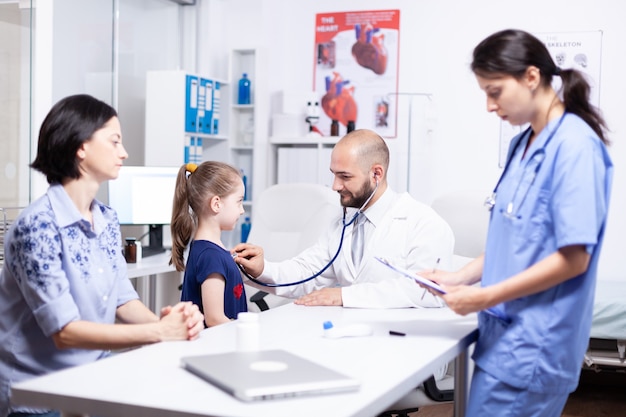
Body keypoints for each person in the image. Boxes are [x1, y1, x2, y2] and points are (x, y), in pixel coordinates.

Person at [419, 29, 613, 417]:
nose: (490, 106)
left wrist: (487, 296)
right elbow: (515, 239)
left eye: (494, 92)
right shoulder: (520, 145)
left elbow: (575, 259)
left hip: (535, 346)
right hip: (503, 338)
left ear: (530, 77)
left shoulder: (575, 147)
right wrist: (461, 277)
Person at [0, 94, 205, 417]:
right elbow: (65, 333)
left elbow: (123, 301)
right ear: (81, 147)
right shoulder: (37, 228)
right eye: (114, 141)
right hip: (38, 395)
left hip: (92, 378)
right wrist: (159, 333)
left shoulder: (108, 220)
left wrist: (172, 327)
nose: (123, 153)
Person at [233, 129, 455, 308]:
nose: (335, 186)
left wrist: (344, 296)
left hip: (403, 346)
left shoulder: (424, 224)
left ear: (376, 174)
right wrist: (262, 270)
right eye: (334, 174)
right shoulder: (343, 223)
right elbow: (308, 272)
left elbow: (426, 292)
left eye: (345, 176)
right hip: (351, 336)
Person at [170, 161, 248, 327]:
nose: (242, 210)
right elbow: (215, 319)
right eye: (239, 202)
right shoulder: (210, 256)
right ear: (216, 204)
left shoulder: (209, 249)